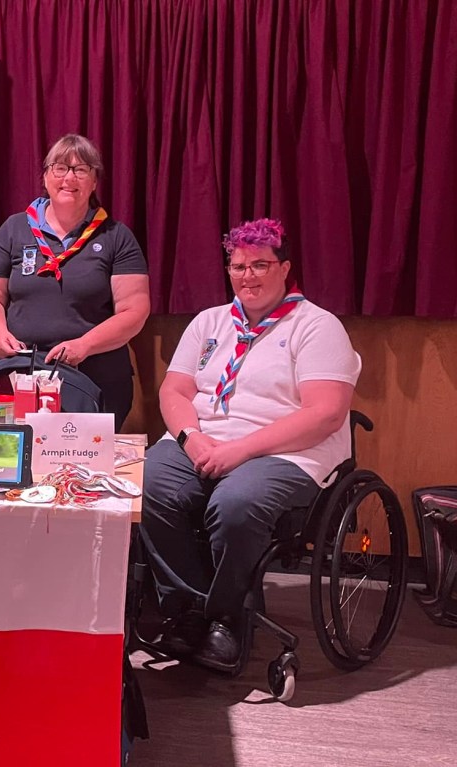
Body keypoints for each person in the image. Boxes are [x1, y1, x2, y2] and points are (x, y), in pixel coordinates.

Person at [139, 218, 361, 672]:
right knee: (146, 482)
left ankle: (226, 620)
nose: (248, 276)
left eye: (261, 264)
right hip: (205, 440)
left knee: (237, 503)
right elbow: (174, 392)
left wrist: (239, 452)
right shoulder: (209, 322)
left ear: (285, 268)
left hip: (288, 450)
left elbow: (326, 413)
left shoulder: (317, 326)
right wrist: (192, 437)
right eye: (238, 266)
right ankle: (186, 610)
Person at [0, 134, 151, 429]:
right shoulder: (14, 229)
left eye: (81, 170)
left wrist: (84, 345)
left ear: (94, 181)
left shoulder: (116, 236)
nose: (70, 177)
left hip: (96, 379)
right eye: (60, 168)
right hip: (23, 377)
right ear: (45, 177)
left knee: (83, 471)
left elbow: (134, 312)